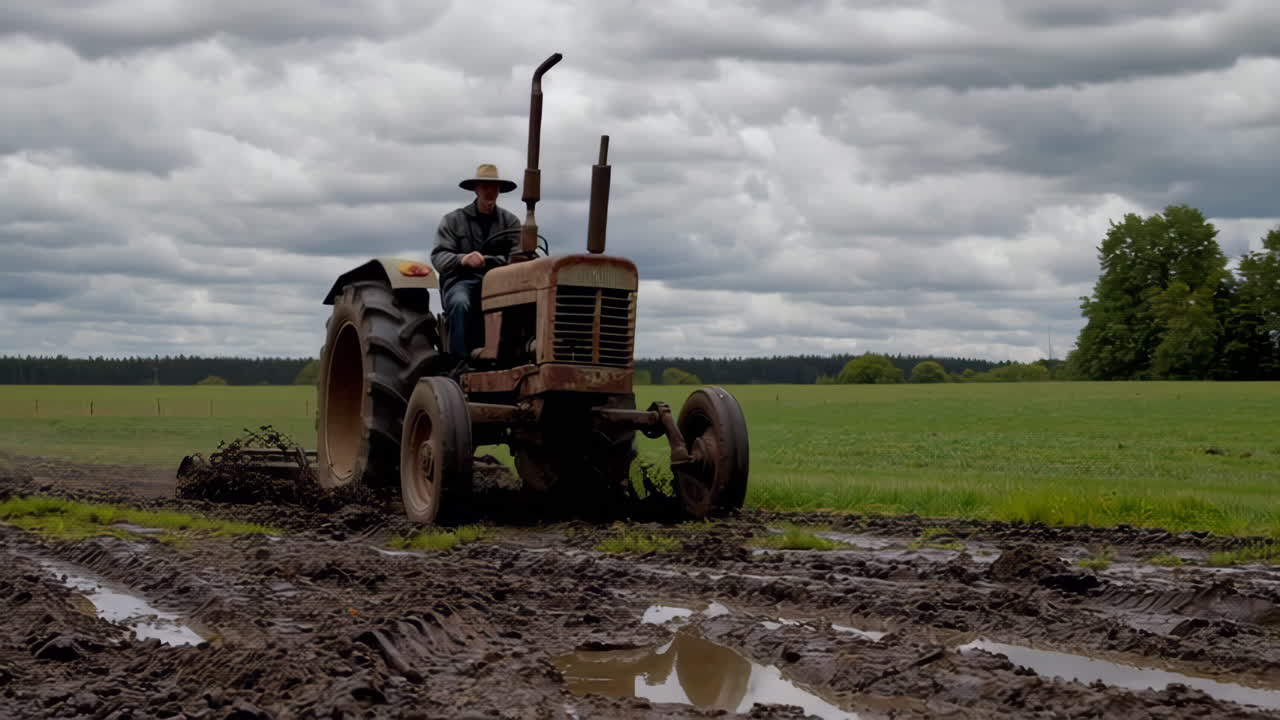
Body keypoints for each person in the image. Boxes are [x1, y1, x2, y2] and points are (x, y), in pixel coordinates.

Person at [431, 164, 522, 360]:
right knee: (460, 302)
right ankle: (459, 361)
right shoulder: (453, 221)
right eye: (485, 186)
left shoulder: (511, 222)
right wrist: (463, 259)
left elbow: (518, 258)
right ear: (476, 189)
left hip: (501, 283)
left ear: (499, 191)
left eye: (494, 187)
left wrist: (489, 261)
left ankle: (514, 356)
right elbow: (439, 257)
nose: (490, 191)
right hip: (462, 281)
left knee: (523, 305)